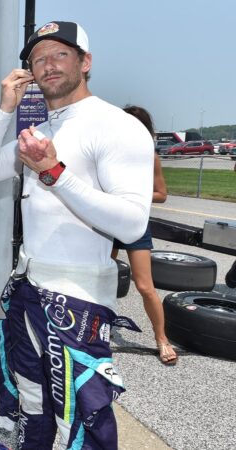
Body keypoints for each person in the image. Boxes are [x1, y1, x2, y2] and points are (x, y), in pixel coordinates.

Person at [0, 21, 154, 449]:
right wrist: (4, 111)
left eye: (59, 55)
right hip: (29, 289)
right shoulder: (42, 129)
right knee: (30, 402)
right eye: (38, 58)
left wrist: (54, 173)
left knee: (82, 413)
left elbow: (131, 224)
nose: (47, 65)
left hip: (79, 298)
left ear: (85, 62)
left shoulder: (117, 125)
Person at [111, 105, 176, 365]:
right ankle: (93, 330)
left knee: (145, 286)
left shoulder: (151, 158)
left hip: (135, 224)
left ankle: (162, 339)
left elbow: (161, 194)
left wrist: (134, 196)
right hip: (107, 222)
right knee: (98, 279)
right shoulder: (107, 153)